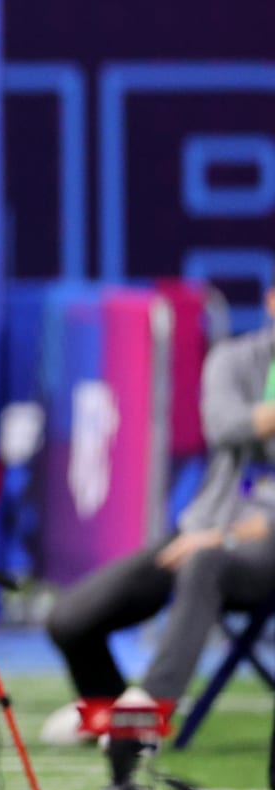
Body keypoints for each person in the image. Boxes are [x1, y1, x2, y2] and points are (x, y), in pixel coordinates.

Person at [42, 282, 275, 744]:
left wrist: (225, 539)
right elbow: (223, 424)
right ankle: (108, 711)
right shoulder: (235, 358)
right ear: (271, 300)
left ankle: (147, 715)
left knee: (205, 562)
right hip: (202, 528)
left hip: (257, 547)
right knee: (69, 619)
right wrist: (214, 535)